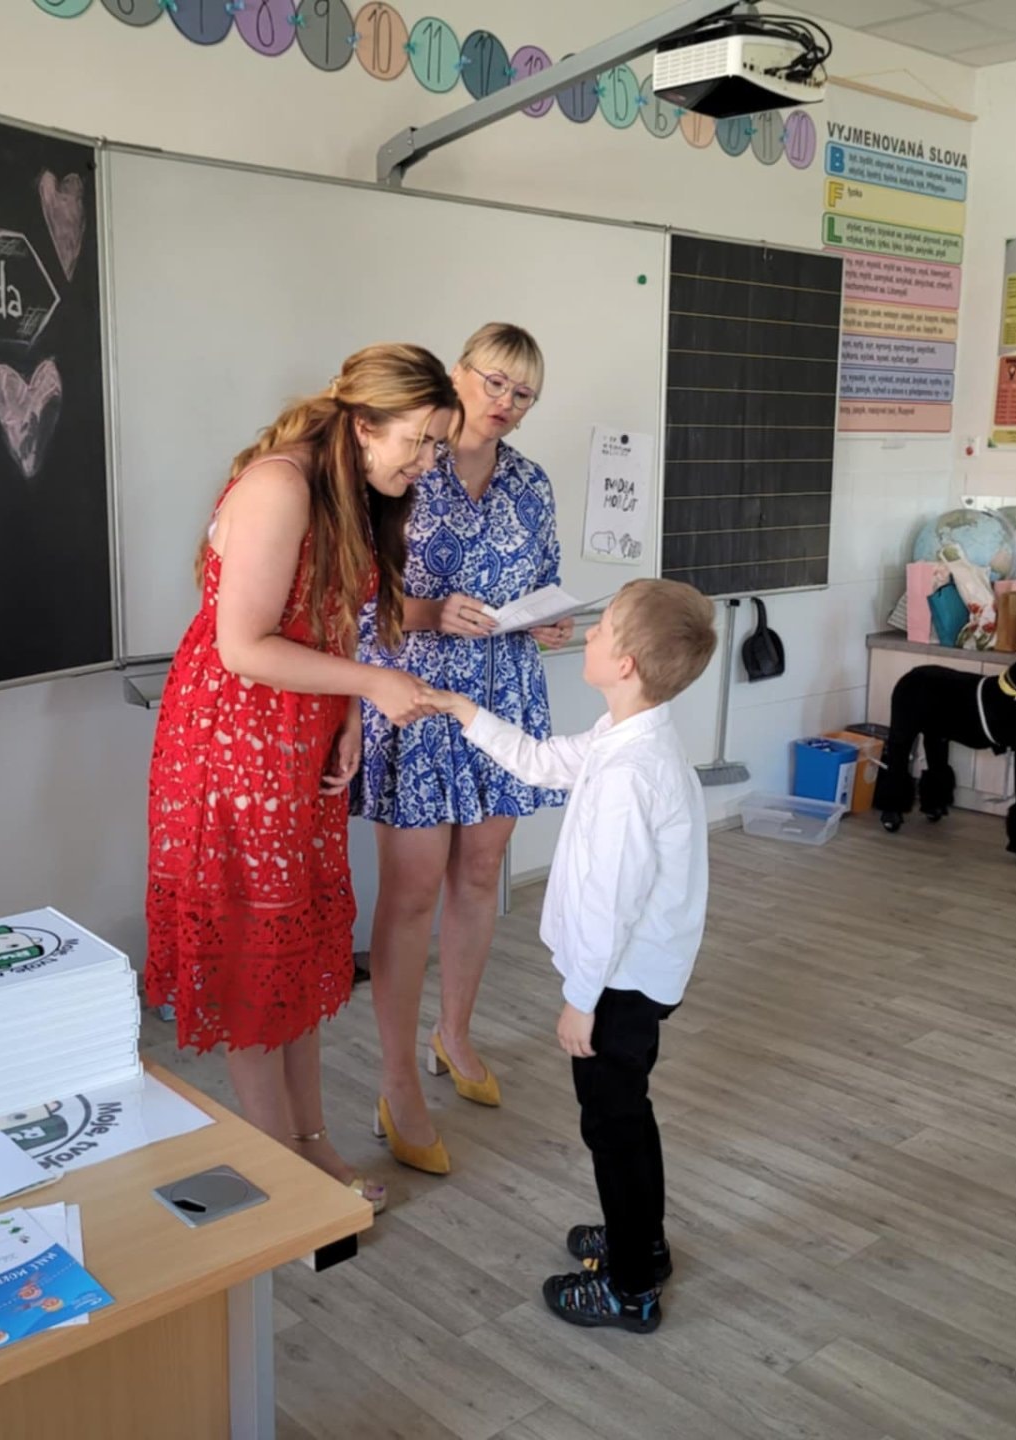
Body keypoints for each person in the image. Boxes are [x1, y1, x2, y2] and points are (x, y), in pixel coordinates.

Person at [145, 344, 458, 1215]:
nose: (428, 463)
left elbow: (333, 618)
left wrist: (349, 712)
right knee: (256, 959)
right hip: (234, 745)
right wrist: (373, 686)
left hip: (298, 738)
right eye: (421, 441)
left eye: (438, 446)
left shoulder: (350, 491)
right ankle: (279, 1168)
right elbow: (244, 646)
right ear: (364, 425)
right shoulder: (279, 486)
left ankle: (310, 1143)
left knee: (291, 957)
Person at [421, 579, 718, 1332]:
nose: (585, 633)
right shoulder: (626, 735)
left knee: (612, 1128)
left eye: (601, 628)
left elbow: (608, 907)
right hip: (632, 978)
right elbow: (541, 761)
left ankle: (630, 1286)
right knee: (625, 1118)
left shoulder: (629, 774)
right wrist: (462, 710)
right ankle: (640, 1241)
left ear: (625, 664)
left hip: (619, 984)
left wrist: (581, 1000)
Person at [355, 323, 569, 1176]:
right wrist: (429, 612)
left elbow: (543, 581)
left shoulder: (530, 481)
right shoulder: (407, 460)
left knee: (481, 874)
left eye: (524, 393)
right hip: (413, 693)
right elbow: (354, 596)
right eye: (495, 382)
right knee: (411, 892)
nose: (506, 402)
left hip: (504, 691)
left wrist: (547, 621)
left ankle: (455, 1034)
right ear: (458, 374)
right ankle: (397, 1079)